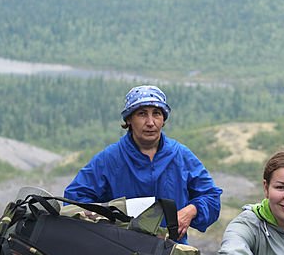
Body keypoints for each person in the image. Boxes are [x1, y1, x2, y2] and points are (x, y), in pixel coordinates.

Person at [64, 85, 221, 243]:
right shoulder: (109, 159)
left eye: (157, 114)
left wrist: (192, 210)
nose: (150, 122)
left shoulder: (181, 156)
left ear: (163, 119)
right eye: (142, 114)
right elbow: (74, 200)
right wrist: (108, 223)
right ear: (129, 119)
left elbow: (211, 197)